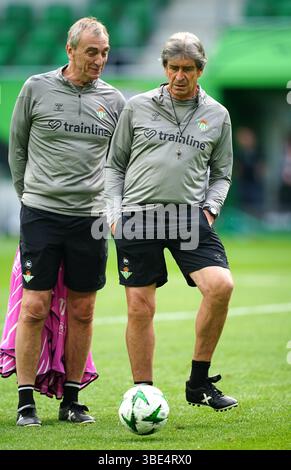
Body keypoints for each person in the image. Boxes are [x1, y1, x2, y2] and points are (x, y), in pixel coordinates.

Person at [105, 32, 237, 412]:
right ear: (164, 68)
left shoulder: (218, 115)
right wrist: (114, 215)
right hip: (138, 215)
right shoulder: (137, 107)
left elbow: (222, 173)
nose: (180, 76)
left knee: (221, 286)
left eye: (188, 69)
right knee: (140, 307)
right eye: (173, 68)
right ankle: (144, 393)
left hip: (189, 217)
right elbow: (114, 166)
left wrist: (210, 210)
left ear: (200, 70)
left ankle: (199, 383)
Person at [8, 17, 125, 426]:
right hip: (41, 212)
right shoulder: (35, 88)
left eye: (105, 52)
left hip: (90, 218)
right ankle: (25, 401)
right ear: (70, 49)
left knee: (84, 310)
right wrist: (31, 196)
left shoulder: (115, 101)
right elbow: (17, 148)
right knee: (35, 306)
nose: (99, 60)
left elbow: (119, 162)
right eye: (91, 51)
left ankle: (72, 400)